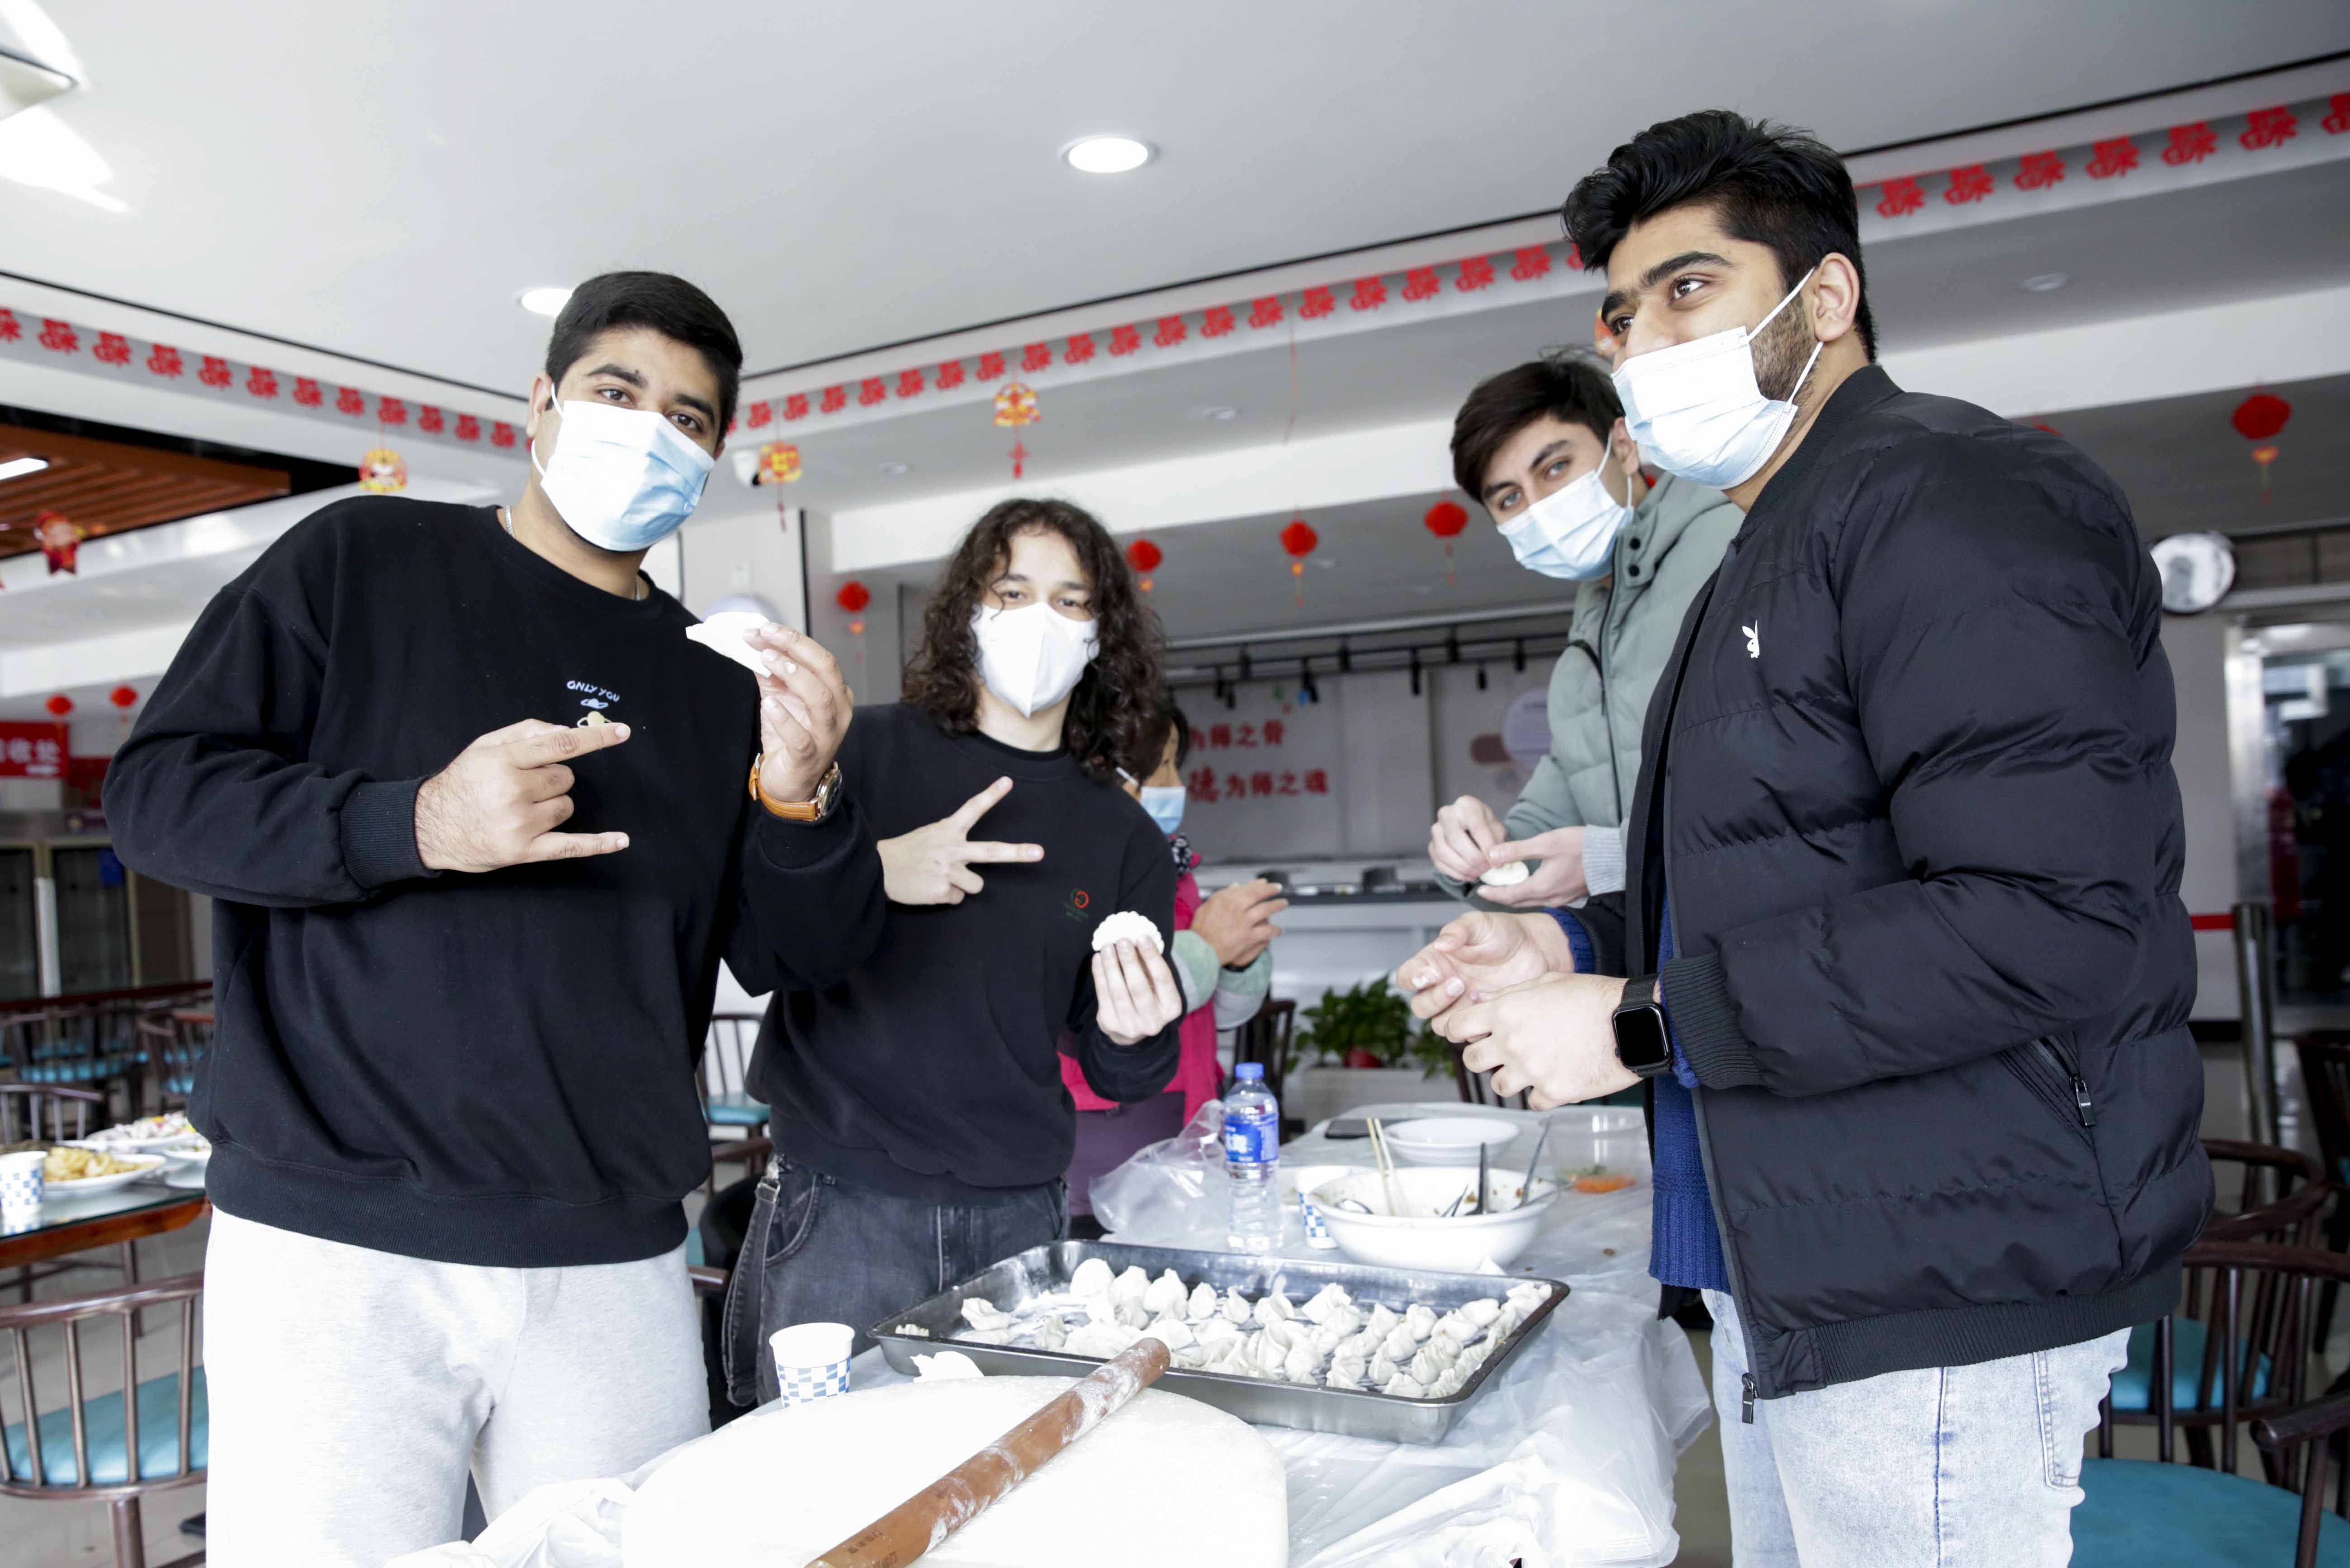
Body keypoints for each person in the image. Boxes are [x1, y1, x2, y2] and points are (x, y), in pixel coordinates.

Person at [1398, 112, 2208, 1567]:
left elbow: (2044, 915)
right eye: (1624, 313)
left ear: (1822, 297)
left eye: (1688, 289)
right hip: (1793, 1255)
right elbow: (1771, 873)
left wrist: (1638, 1023)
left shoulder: (1949, 495)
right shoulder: (1758, 555)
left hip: (1940, 1262)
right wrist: (1565, 942)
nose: (1645, 342)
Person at [104, 274, 880, 1565]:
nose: (650, 432)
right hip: (338, 1230)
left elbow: (797, 952)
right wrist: (414, 822)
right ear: (541, 402)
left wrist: (803, 795)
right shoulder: (361, 561)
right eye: (617, 392)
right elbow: (157, 799)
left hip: (610, 1241)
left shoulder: (713, 682)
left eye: (687, 419)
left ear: (712, 462)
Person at [726, 497, 1187, 1402]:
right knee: (815, 1469)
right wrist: (873, 869)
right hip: (844, 1201)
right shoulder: (860, 751)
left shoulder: (1122, 835)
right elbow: (761, 950)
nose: (1039, 620)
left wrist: (1137, 1031)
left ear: (1101, 635)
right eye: (1011, 592)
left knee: (1007, 1468)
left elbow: (1117, 1064)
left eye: (1070, 601)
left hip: (1020, 1213)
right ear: (968, 612)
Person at [1428, 353, 1739, 973]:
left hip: (1788, 953)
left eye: (1556, 467)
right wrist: (1476, 852)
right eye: (1509, 497)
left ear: (1623, 445)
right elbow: (1551, 825)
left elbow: (1794, 778)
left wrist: (1606, 859)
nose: (1539, 505)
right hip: (1673, 976)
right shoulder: (1585, 651)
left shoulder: (1732, 548)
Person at [1062, 700, 1284, 1232]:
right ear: (1103, 769)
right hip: (1105, 1137)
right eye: (1160, 766)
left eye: (1174, 764)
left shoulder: (1173, 864)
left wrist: (1239, 960)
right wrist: (1207, 945)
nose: (1175, 783)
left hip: (1186, 1122)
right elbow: (1099, 998)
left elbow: (1210, 1012)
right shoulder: (1072, 866)